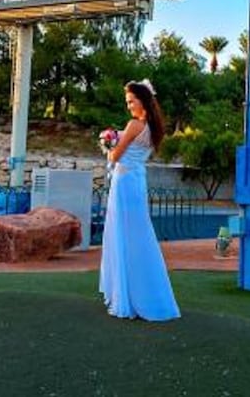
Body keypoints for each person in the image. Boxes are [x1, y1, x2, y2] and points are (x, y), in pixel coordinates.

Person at [98, 79, 181, 321]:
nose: (129, 106)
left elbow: (115, 156)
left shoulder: (134, 125)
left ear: (143, 100)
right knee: (138, 235)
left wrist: (107, 144)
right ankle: (145, 293)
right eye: (127, 102)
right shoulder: (154, 128)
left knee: (122, 235)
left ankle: (127, 296)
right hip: (136, 182)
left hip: (124, 184)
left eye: (131, 101)